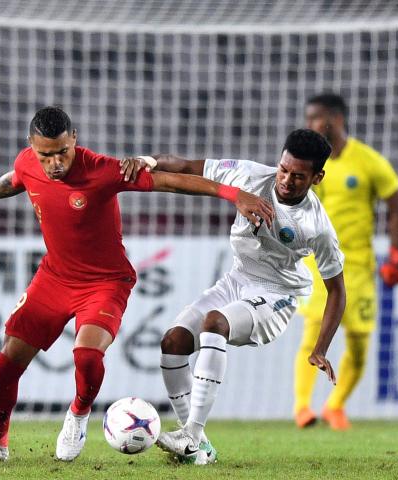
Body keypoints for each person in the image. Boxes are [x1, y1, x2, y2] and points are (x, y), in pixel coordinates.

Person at [0, 106, 275, 463]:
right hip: (54, 278)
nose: (55, 163)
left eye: (62, 152)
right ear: (32, 146)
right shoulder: (28, 162)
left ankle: (78, 413)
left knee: (86, 355)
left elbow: (171, 181)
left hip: (106, 282)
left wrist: (233, 195)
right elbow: (14, 179)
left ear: (74, 139)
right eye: (46, 155)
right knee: (5, 366)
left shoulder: (103, 170)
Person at [121, 128, 346, 464]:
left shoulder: (317, 227)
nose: (286, 180)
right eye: (283, 169)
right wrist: (148, 161)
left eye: (298, 176)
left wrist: (320, 349)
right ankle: (199, 447)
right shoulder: (251, 176)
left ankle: (192, 435)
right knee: (173, 342)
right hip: (237, 279)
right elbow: (185, 166)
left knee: (215, 323)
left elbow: (337, 291)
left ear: (317, 177)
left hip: (278, 296)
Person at [293, 93, 398, 430]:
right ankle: (302, 408)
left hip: (358, 267)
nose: (311, 125)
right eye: (308, 118)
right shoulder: (308, 165)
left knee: (358, 344)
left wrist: (396, 257)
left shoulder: (368, 161)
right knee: (312, 333)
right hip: (317, 263)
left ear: (336, 120)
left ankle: (335, 406)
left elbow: (397, 206)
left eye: (316, 118)